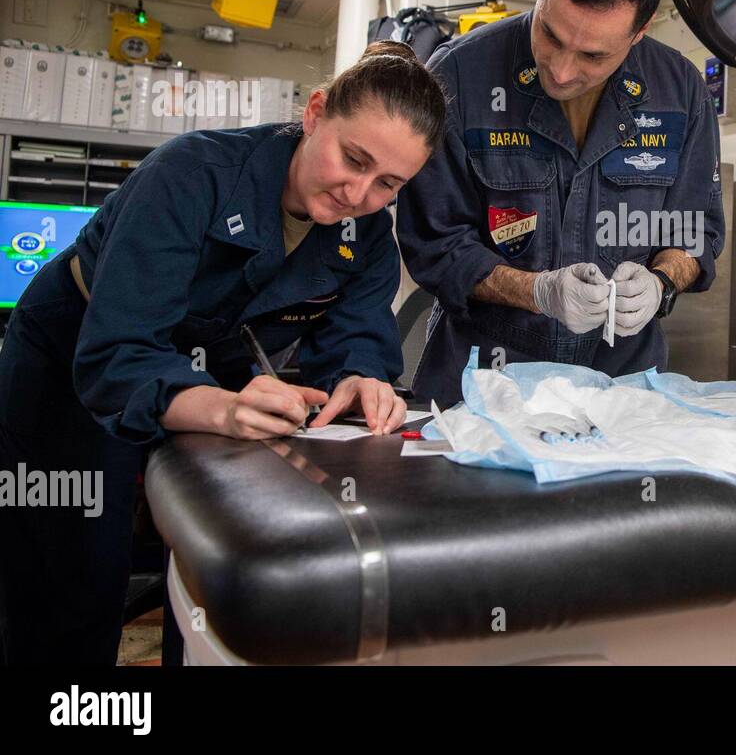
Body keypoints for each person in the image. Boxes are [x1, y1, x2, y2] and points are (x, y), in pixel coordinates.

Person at [0, 40, 445, 665]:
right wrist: (225, 410)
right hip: (77, 353)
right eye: (353, 158)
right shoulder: (191, 174)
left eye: (388, 183)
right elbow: (118, 353)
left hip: (217, 370)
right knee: (72, 568)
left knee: (209, 559)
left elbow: (355, 340)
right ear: (316, 112)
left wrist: (363, 378)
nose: (358, 193)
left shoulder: (369, 234)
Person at [398, 0, 725, 409]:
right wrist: (536, 292)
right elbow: (435, 244)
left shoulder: (680, 91)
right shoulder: (459, 76)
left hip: (622, 384)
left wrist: (660, 283)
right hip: (484, 379)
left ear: (639, 34)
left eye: (593, 55)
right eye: (550, 34)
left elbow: (693, 233)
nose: (562, 69)